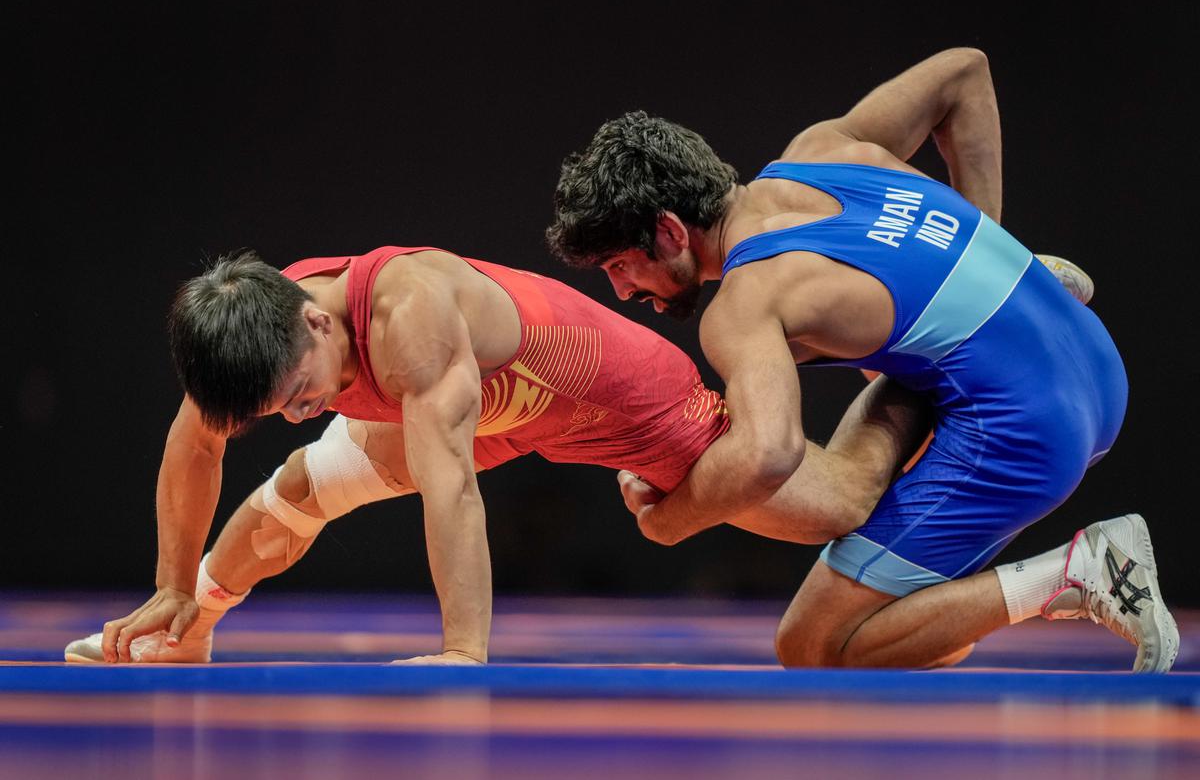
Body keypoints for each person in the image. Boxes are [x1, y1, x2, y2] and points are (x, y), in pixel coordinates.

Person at [547, 48, 1178, 672]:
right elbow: (964, 72)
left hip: (1024, 430)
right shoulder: (823, 150)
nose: (624, 292)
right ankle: (1019, 267)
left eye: (619, 266)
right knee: (915, 633)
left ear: (670, 232)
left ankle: (1077, 570)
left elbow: (769, 455)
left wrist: (666, 522)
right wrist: (992, 246)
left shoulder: (746, 302)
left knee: (815, 647)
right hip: (1094, 361)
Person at [66, 246, 929, 665]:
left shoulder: (409, 320)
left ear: (320, 321)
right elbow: (194, 444)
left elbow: (455, 494)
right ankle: (193, 629)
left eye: (301, 393)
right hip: (492, 413)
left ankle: (927, 360)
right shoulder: (253, 335)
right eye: (283, 406)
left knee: (841, 505)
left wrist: (461, 651)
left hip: (617, 399)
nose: (299, 413)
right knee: (295, 493)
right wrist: (174, 581)